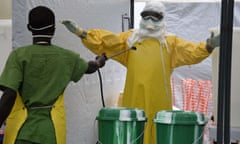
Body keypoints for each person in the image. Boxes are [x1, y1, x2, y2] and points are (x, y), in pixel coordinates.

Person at [61, 1, 219, 144]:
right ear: (141, 17)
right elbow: (107, 42)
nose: (150, 21)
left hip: (159, 99)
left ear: (162, 19)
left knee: (157, 131)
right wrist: (83, 33)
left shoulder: (170, 43)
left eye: (155, 17)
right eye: (146, 16)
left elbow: (191, 52)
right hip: (134, 96)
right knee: (134, 131)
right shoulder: (130, 40)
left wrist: (208, 47)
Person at [0, 6, 107, 144]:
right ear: (53, 30)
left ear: (29, 27)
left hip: (22, 132)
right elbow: (90, 67)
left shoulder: (18, 56)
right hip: (52, 133)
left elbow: (9, 94)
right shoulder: (68, 58)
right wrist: (100, 61)